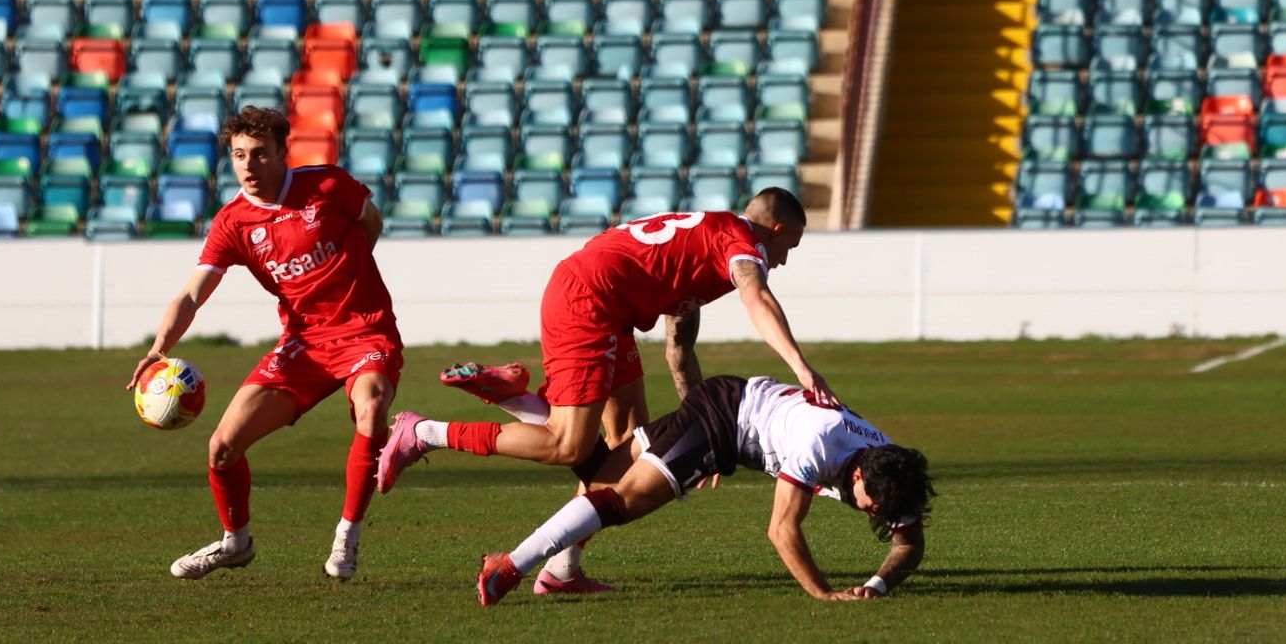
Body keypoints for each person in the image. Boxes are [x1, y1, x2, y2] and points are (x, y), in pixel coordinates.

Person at [375, 189, 836, 593]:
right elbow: (756, 295)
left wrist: (705, 427)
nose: (783, 260)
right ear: (776, 230)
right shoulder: (741, 243)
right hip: (589, 299)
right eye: (789, 246)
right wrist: (802, 368)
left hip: (606, 305)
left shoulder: (706, 243)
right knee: (568, 443)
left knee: (630, 449)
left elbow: (678, 348)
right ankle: (426, 432)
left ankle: (561, 569)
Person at [126, 107, 404, 582]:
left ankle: (348, 534)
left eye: (258, 154)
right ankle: (236, 543)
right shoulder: (233, 222)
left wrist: (353, 274)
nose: (248, 165)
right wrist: (158, 348)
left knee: (372, 407)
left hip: (364, 330)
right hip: (303, 345)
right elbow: (192, 295)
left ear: (281, 153)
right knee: (222, 446)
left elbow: (370, 223)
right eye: (238, 155)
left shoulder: (329, 185)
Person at [474, 375, 935, 604]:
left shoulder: (891, 471)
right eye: (871, 508)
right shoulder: (820, 444)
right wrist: (822, 593)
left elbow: (909, 543)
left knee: (601, 474)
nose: (874, 515)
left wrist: (876, 586)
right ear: (856, 476)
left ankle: (514, 397)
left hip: (730, 407)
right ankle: (510, 565)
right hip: (725, 418)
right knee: (622, 502)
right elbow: (781, 530)